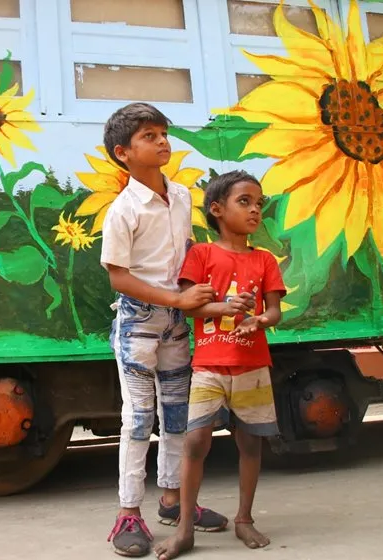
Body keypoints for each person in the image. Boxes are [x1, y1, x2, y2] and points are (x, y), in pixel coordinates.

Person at [100, 102, 226, 557]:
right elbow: (117, 276)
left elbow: (184, 252)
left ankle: (174, 501)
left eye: (162, 133)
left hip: (175, 326)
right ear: (123, 153)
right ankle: (127, 514)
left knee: (177, 416)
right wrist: (176, 298)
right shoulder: (123, 209)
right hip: (137, 325)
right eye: (149, 136)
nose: (162, 142)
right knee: (138, 418)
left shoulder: (182, 197)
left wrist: (201, 291)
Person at [154, 170, 287, 559]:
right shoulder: (202, 255)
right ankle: (184, 529)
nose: (254, 210)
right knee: (195, 442)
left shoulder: (264, 260)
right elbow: (190, 302)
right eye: (244, 202)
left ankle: (244, 518)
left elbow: (275, 310)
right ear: (216, 209)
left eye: (259, 203)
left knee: (251, 443)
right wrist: (226, 307)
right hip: (209, 365)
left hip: (252, 365)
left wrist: (259, 320)